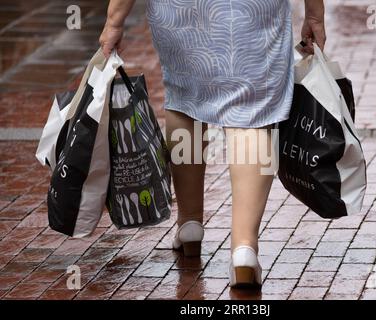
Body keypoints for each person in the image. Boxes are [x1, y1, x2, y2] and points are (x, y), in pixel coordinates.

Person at [100, 0, 326, 289]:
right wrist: (315, 15)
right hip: (254, 11)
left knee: (184, 101)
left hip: (179, 12)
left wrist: (114, 21)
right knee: (252, 112)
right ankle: (244, 250)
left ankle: (190, 224)